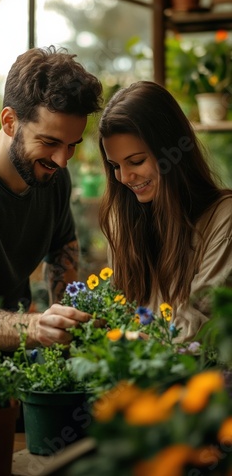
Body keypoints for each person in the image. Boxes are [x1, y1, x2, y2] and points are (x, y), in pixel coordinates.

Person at [0, 45, 103, 351]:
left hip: (15, 357)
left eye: (72, 145)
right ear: (9, 121)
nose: (62, 160)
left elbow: (63, 251)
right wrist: (40, 326)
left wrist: (72, 336)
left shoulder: (51, 174)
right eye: (50, 142)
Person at [98, 80, 232, 342]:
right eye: (115, 165)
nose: (124, 177)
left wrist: (132, 344)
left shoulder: (224, 219)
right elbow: (117, 312)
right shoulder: (123, 219)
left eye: (136, 161)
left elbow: (201, 324)